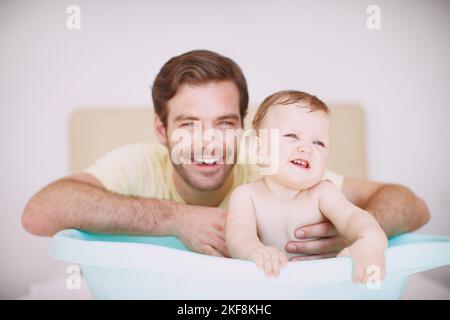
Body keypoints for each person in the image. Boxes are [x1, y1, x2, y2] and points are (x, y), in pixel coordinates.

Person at [22, 50, 429, 260]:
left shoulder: (272, 166)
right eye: (187, 124)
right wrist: (177, 218)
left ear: (245, 128)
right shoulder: (139, 163)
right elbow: (39, 212)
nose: (209, 142)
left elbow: (412, 205)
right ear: (161, 130)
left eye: (224, 123)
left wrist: (355, 232)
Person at [226, 90, 387, 283]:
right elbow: (238, 235)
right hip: (269, 286)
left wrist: (370, 240)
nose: (306, 148)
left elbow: (353, 217)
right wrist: (255, 251)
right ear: (259, 150)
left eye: (318, 142)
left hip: (319, 287)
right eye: (292, 135)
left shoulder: (323, 193)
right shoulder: (247, 196)